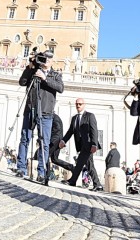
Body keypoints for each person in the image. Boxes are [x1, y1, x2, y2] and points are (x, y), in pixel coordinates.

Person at [15, 50, 64, 182]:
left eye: (49, 58)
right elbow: (22, 82)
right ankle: (20, 168)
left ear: (52, 60)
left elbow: (60, 88)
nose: (46, 59)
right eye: (44, 57)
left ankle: (41, 172)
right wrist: (30, 67)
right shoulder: (33, 71)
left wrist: (44, 78)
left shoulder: (55, 75)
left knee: (44, 143)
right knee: (25, 138)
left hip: (46, 112)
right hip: (31, 109)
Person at [60, 98, 103, 191]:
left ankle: (73, 181)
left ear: (84, 105)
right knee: (87, 164)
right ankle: (97, 184)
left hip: (88, 144)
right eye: (77, 104)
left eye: (80, 104)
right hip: (80, 145)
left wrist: (94, 144)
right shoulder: (74, 118)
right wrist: (63, 140)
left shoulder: (90, 116)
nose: (78, 105)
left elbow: (94, 130)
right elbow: (70, 131)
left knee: (82, 163)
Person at [48, 112, 74, 177]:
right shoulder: (55, 117)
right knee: (54, 159)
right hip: (57, 140)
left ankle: (46, 175)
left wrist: (51, 140)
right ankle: (71, 167)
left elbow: (57, 129)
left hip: (55, 141)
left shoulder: (54, 117)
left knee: (46, 155)